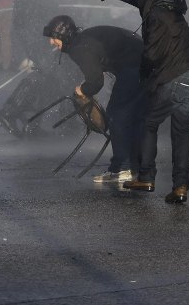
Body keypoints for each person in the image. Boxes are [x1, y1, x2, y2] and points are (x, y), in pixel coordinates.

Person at [88, 0, 189, 204]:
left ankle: (146, 177)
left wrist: (145, 81)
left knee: (148, 123)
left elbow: (151, 55)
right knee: (181, 131)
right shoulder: (161, 1)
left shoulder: (154, 15)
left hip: (176, 75)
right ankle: (181, 186)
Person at [42, 15, 147, 183]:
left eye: (54, 38)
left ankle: (123, 168)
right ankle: (136, 164)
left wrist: (83, 89)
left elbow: (96, 82)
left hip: (135, 66)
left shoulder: (79, 48)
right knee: (132, 116)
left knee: (116, 114)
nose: (51, 42)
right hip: (144, 61)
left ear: (64, 35)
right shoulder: (82, 40)